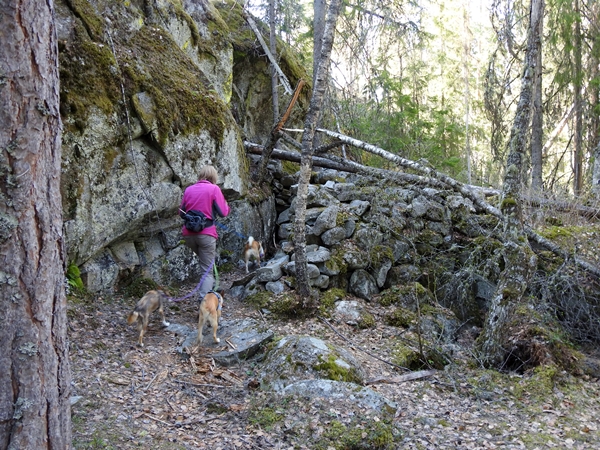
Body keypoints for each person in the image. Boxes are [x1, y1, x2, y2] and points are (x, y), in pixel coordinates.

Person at [179, 165, 230, 301]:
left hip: (188, 235)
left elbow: (181, 212)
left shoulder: (188, 189)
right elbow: (223, 212)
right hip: (206, 234)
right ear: (213, 177)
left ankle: (211, 289)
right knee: (206, 270)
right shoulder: (214, 189)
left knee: (206, 264)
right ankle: (204, 302)